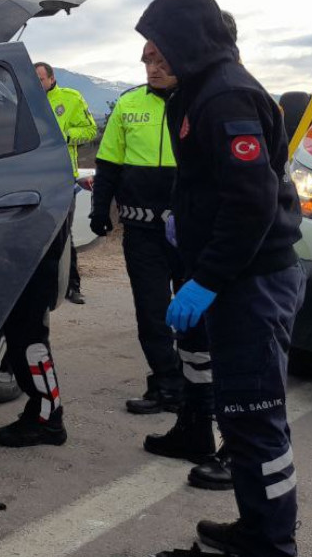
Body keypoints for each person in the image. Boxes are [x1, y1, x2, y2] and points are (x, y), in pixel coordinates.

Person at [139, 0, 304, 557]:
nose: (146, 59)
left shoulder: (225, 96)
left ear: (186, 43)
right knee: (240, 418)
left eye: (155, 49)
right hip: (238, 278)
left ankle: (271, 545)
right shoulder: (199, 92)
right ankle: (257, 529)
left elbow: (252, 200)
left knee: (256, 421)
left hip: (251, 282)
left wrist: (206, 277)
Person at [90, 65, 184, 414]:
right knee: (151, 312)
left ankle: (199, 387)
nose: (154, 69)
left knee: (195, 315)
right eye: (147, 62)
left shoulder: (201, 103)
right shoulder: (128, 103)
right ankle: (167, 385)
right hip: (142, 231)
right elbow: (108, 164)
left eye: (162, 61)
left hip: (191, 232)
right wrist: (100, 211)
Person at [36, 61, 97, 304]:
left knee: (63, 234)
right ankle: (42, 289)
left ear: (51, 79)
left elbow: (90, 130)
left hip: (61, 177)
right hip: (32, 177)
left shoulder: (71, 98)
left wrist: (67, 136)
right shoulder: (24, 98)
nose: (38, 83)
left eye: (41, 79)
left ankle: (72, 286)